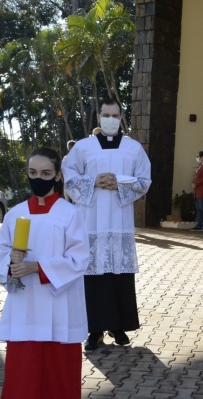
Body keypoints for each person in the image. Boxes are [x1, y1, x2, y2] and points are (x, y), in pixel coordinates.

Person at [0, 147, 90, 399]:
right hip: (26, 305)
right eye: (33, 173)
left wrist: (37, 267)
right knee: (23, 373)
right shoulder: (16, 213)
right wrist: (11, 262)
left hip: (60, 305)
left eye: (45, 174)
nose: (38, 179)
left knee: (59, 373)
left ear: (57, 175)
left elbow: (80, 257)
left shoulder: (70, 214)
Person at [62, 98, 152, 351]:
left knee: (118, 274)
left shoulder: (133, 148)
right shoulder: (83, 147)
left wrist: (120, 183)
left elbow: (144, 179)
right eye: (106, 115)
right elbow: (69, 176)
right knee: (94, 276)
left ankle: (119, 326)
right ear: (99, 118)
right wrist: (93, 181)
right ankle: (94, 330)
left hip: (120, 222)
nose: (111, 119)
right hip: (91, 221)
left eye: (115, 115)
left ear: (122, 118)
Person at [191, 151, 203, 231]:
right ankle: (199, 225)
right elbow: (196, 177)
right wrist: (193, 183)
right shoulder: (200, 166)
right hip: (197, 190)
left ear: (202, 157)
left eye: (198, 156)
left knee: (202, 207)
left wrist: (197, 183)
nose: (197, 158)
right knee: (198, 208)